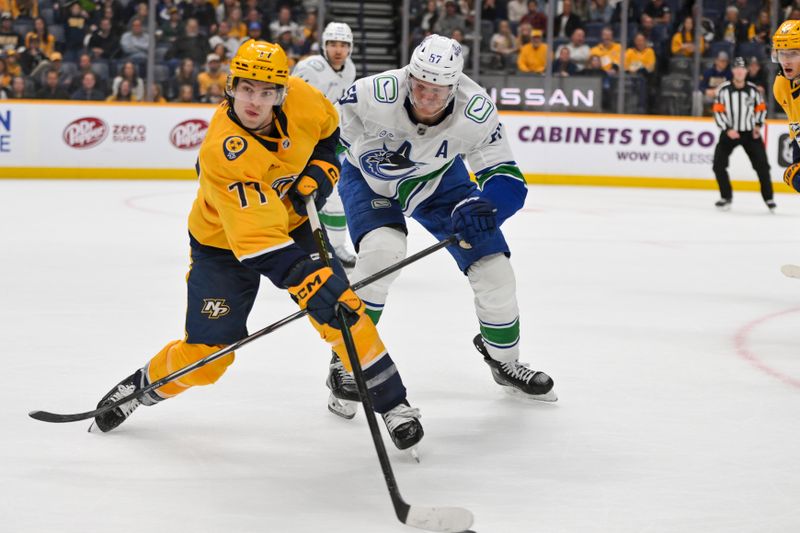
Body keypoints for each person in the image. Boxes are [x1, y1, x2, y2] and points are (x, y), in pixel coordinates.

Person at [90, 39, 423, 453]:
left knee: (342, 310)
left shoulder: (303, 98)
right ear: (230, 86)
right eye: (247, 88)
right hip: (225, 246)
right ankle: (141, 387)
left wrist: (321, 171)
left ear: (282, 91)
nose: (256, 101)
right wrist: (307, 278)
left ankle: (395, 405)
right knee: (209, 357)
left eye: (267, 92)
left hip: (294, 222)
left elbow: (330, 134)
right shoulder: (224, 151)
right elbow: (260, 242)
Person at [329, 34, 557, 420]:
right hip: (368, 178)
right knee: (383, 252)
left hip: (437, 182)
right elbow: (327, 141)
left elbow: (508, 179)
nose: (426, 97)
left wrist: (488, 207)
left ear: (455, 86)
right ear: (409, 75)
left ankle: (505, 360)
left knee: (495, 272)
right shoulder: (373, 93)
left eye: (438, 90)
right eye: (420, 86)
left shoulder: (476, 110)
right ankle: (346, 360)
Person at [292, 22, 358, 268]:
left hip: (327, 140)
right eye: (332, 44)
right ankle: (308, 247)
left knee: (331, 196)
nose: (338, 50)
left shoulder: (349, 69)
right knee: (303, 194)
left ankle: (335, 247)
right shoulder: (310, 68)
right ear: (323, 46)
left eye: (343, 45)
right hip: (302, 140)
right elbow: (290, 101)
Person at [711, 57, 773, 212]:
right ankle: (726, 197)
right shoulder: (723, 90)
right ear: (732, 70)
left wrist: (758, 125)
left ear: (746, 71)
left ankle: (769, 198)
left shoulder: (753, 90)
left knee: (763, 167)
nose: (739, 71)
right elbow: (718, 111)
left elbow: (761, 109)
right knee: (718, 165)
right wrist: (727, 129)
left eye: (742, 68)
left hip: (750, 134)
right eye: (736, 68)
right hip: (729, 133)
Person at [773, 20, 800, 195]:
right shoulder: (781, 86)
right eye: (782, 53)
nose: (786, 60)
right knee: (794, 176)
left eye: (793, 53)